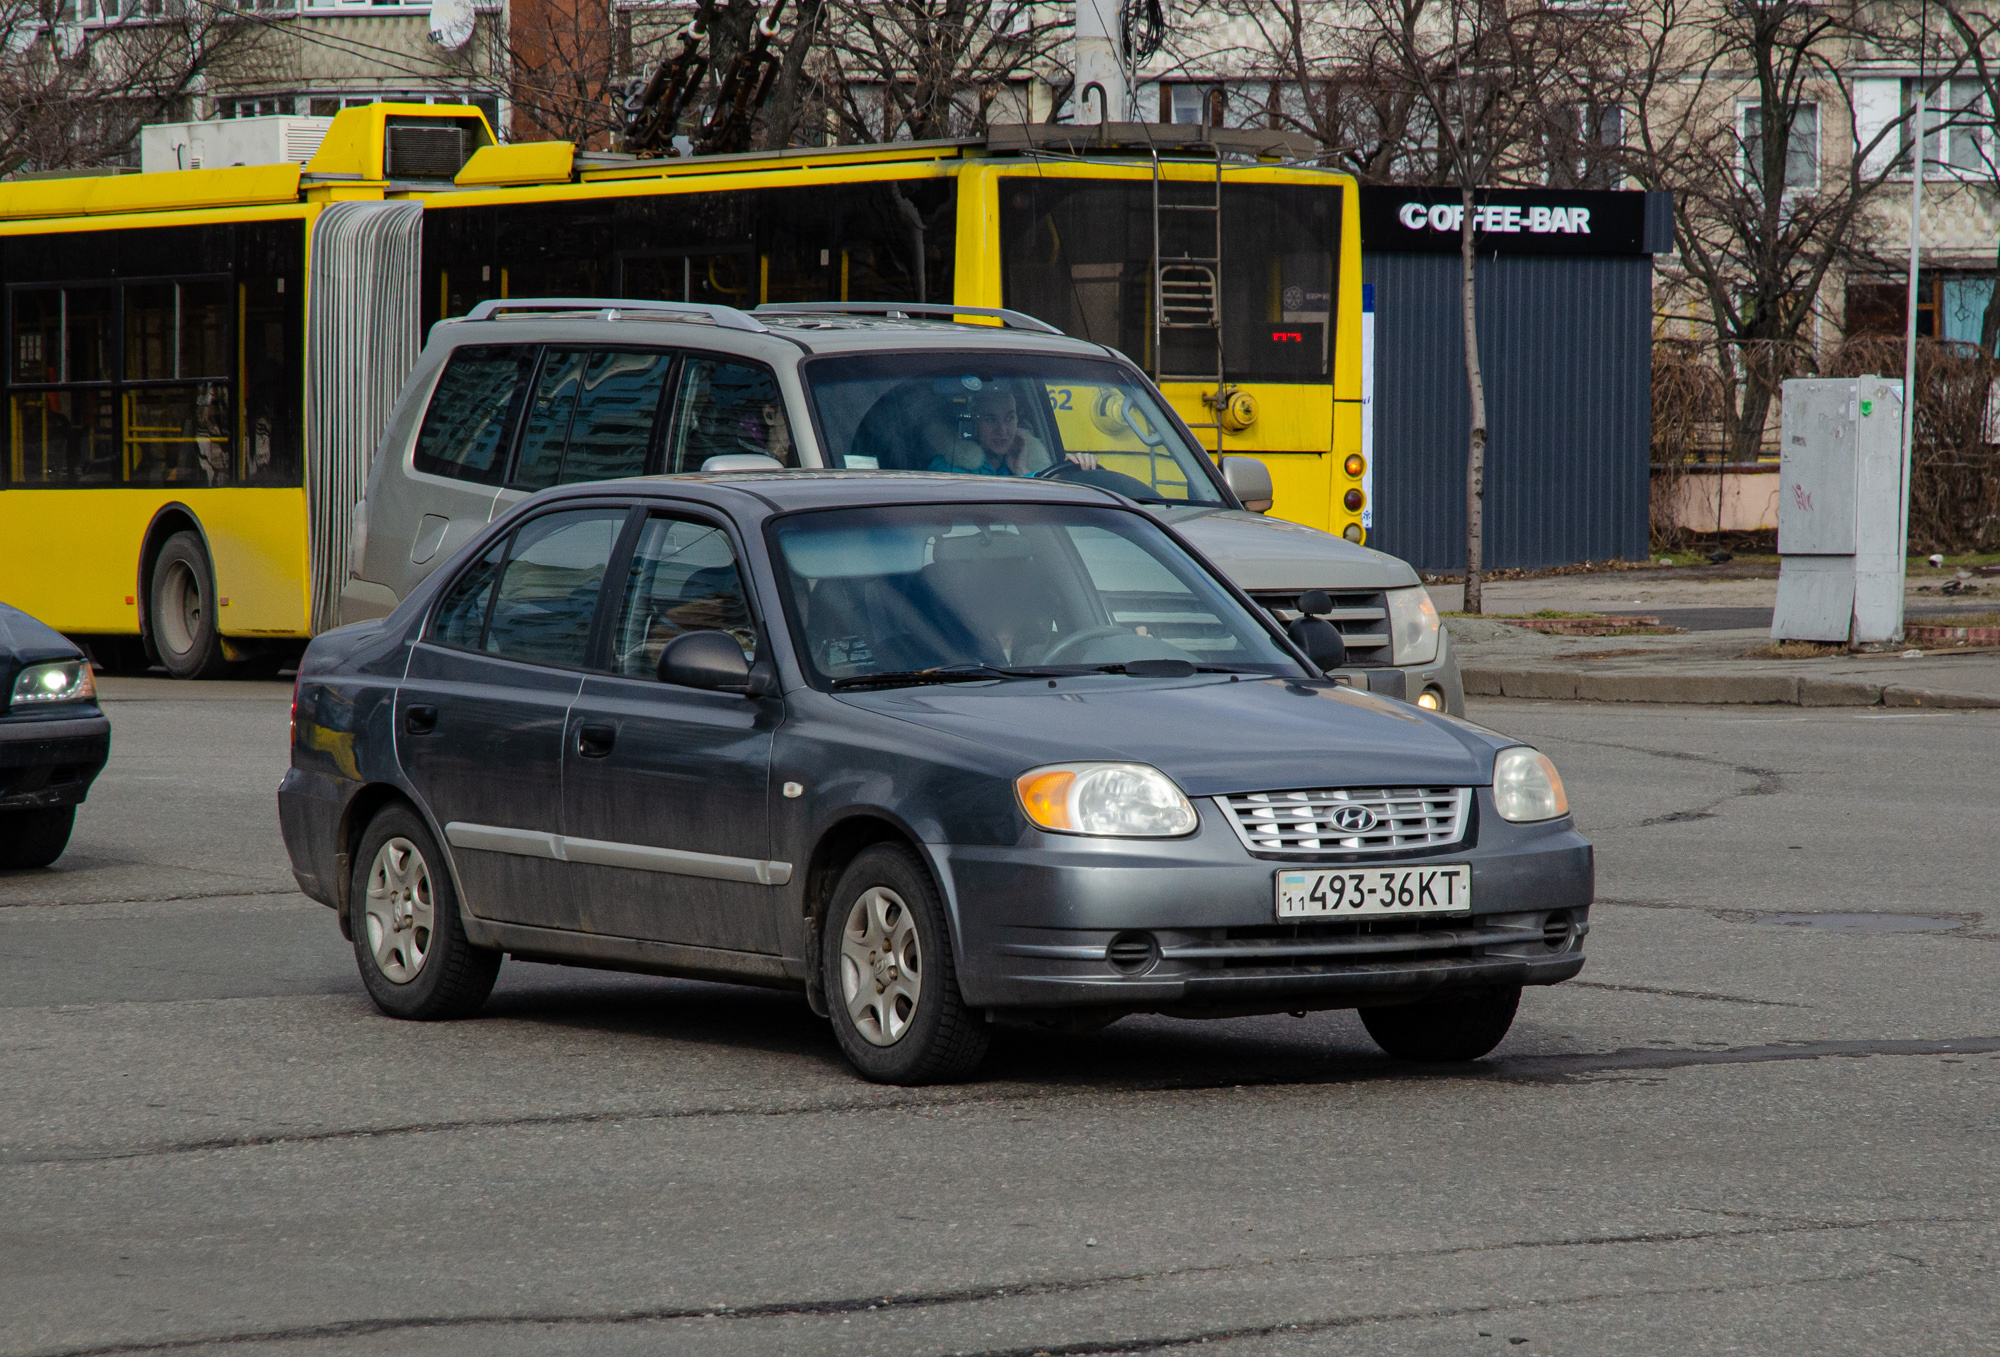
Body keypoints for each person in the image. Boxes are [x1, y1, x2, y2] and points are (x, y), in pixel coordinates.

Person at [927, 387, 1097, 477]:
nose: (1002, 430)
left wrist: (1020, 468)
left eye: (1009, 418)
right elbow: (985, 500)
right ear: (974, 425)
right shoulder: (947, 467)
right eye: (990, 419)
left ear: (1017, 421)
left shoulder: (1026, 464)